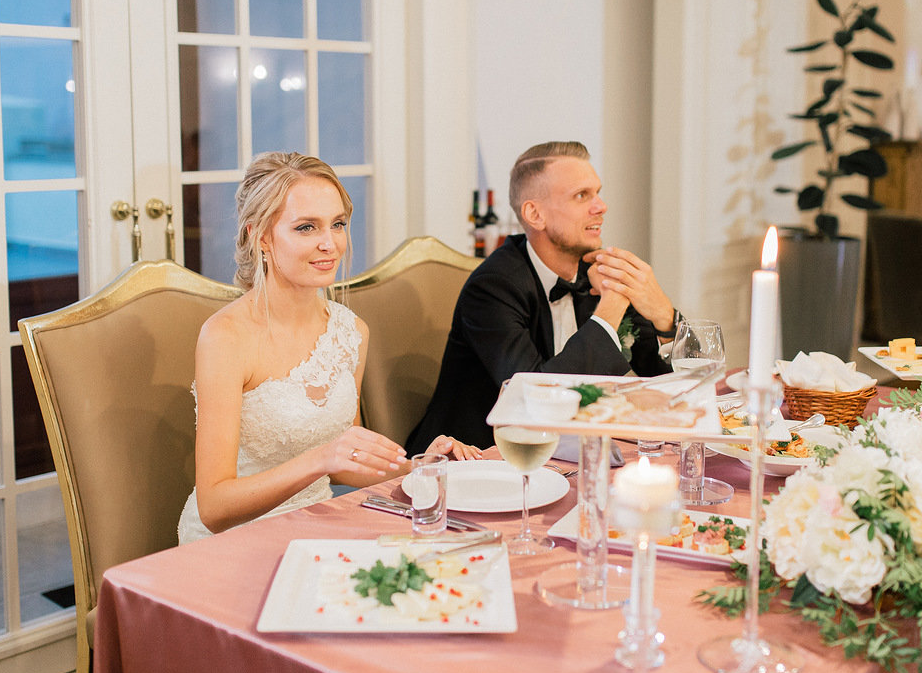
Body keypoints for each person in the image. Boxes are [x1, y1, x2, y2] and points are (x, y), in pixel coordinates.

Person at [179, 152, 478, 544]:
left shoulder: (350, 331)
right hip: (235, 540)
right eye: (306, 227)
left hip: (316, 523)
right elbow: (214, 508)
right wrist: (320, 459)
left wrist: (422, 466)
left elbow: (345, 461)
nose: (330, 243)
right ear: (260, 236)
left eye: (337, 224)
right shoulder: (225, 337)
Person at [406, 141, 677, 453]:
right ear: (534, 214)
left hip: (566, 455)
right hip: (472, 459)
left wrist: (663, 317)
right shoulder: (492, 288)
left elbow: (669, 384)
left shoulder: (596, 273)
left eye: (597, 193)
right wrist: (612, 306)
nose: (601, 206)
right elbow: (534, 400)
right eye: (582, 195)